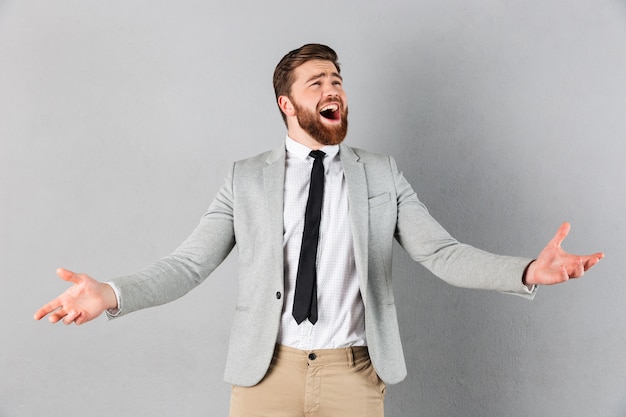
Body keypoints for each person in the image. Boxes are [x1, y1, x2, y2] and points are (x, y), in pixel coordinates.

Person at [34, 44, 604, 417]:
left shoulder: (380, 174)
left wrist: (525, 270)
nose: (332, 89)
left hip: (352, 375)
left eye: (337, 80)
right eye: (316, 83)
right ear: (286, 103)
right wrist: (109, 292)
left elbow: (442, 253)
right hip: (265, 376)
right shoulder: (245, 179)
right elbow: (188, 265)